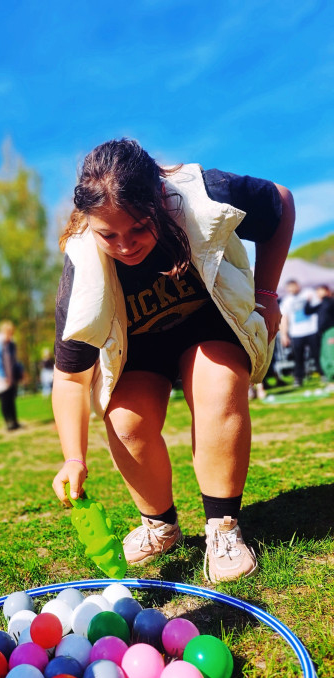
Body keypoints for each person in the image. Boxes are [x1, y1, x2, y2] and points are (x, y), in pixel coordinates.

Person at [52, 138, 295, 583]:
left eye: (139, 228)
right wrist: (73, 458)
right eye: (109, 235)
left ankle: (223, 528)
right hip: (142, 345)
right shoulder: (82, 265)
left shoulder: (206, 192)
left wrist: (266, 293)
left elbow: (280, 201)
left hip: (209, 324)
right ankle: (159, 525)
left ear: (160, 201)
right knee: (125, 421)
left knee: (218, 384)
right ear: (90, 223)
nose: (125, 246)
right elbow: (70, 380)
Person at [280, 279, 322, 385]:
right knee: (298, 358)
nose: (292, 289)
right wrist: (284, 335)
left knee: (317, 355)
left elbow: (320, 307)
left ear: (298, 285)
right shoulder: (287, 300)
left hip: (312, 330)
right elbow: (284, 318)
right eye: (289, 287)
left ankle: (323, 374)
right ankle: (298, 378)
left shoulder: (309, 293)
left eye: (293, 286)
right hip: (297, 333)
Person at [0, 320, 23, 430]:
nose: (10, 334)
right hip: (1, 376)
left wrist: (20, 371)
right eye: (9, 331)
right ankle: (8, 422)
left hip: (11, 374)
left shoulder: (11, 344)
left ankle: (15, 421)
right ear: (3, 331)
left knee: (12, 399)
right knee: (5, 399)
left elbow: (15, 360)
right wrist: (3, 376)